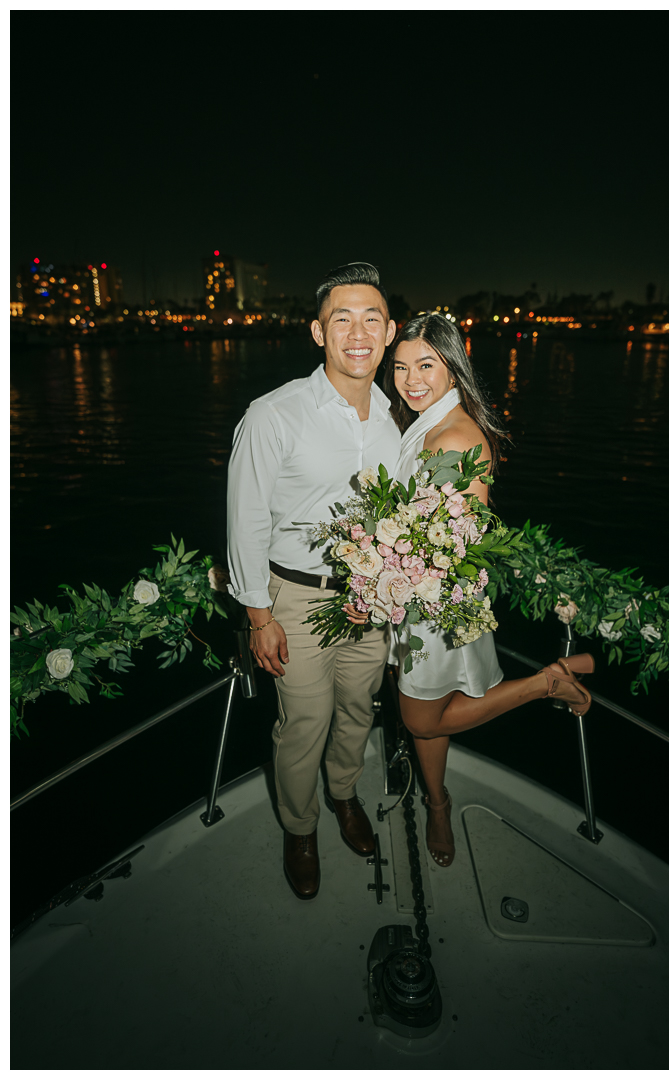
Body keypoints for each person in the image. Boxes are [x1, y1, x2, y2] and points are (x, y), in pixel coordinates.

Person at [347, 313, 594, 868]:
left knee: (419, 719)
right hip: (419, 599)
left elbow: (451, 545)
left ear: (453, 366)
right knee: (427, 711)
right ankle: (438, 803)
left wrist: (374, 588)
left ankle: (546, 683)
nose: (411, 379)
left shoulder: (456, 437)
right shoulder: (427, 422)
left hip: (437, 603)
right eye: (402, 366)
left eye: (426, 365)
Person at [226, 262, 401, 900]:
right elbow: (244, 517)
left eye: (371, 319)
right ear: (317, 331)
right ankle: (299, 830)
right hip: (293, 598)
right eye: (342, 319)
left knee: (359, 709)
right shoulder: (275, 415)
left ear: (389, 333)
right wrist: (259, 616)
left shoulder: (394, 417)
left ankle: (344, 795)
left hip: (371, 599)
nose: (358, 332)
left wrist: (392, 590)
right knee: (304, 721)